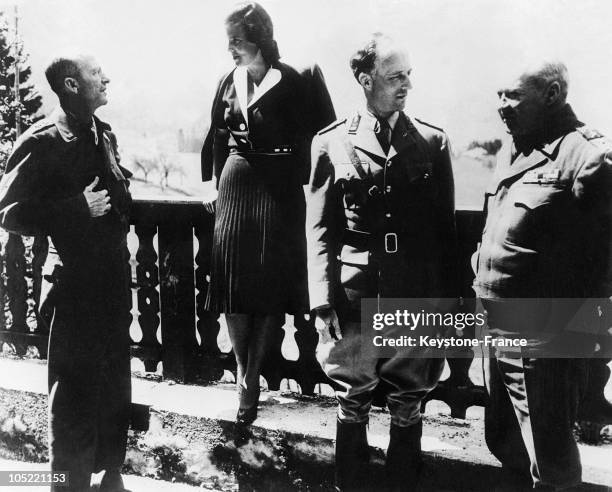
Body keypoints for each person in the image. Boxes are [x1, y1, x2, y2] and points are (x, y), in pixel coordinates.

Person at [305, 33, 457, 491]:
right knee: (352, 398)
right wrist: (321, 300)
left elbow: (444, 234)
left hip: (415, 291)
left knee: (411, 400)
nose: (406, 84)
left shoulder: (432, 141)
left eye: (409, 74)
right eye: (395, 76)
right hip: (355, 291)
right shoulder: (331, 143)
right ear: (366, 80)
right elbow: (318, 229)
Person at [472, 60, 612, 489]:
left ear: (552, 94)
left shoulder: (588, 156)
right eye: (499, 95)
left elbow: (605, 268)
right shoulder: (518, 149)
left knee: (550, 461)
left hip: (544, 337)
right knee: (505, 441)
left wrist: (581, 344)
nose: (502, 105)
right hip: (497, 326)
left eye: (513, 95)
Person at [0, 55, 132, 491]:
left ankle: (111, 475)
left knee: (114, 388)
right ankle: (68, 485)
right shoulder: (41, 141)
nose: (106, 77)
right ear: (73, 85)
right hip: (72, 286)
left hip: (111, 283)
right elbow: (10, 212)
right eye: (98, 74)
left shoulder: (103, 134)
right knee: (72, 396)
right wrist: (77, 209)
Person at [201, 1, 335, 426]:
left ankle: (253, 376)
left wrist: (314, 189)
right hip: (236, 187)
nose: (231, 50)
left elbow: (323, 139)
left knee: (270, 289)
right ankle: (244, 375)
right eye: (229, 43)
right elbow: (216, 138)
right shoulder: (228, 80)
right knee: (234, 289)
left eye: (236, 42)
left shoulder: (295, 79)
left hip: (280, 193)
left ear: (259, 39)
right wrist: (212, 186)